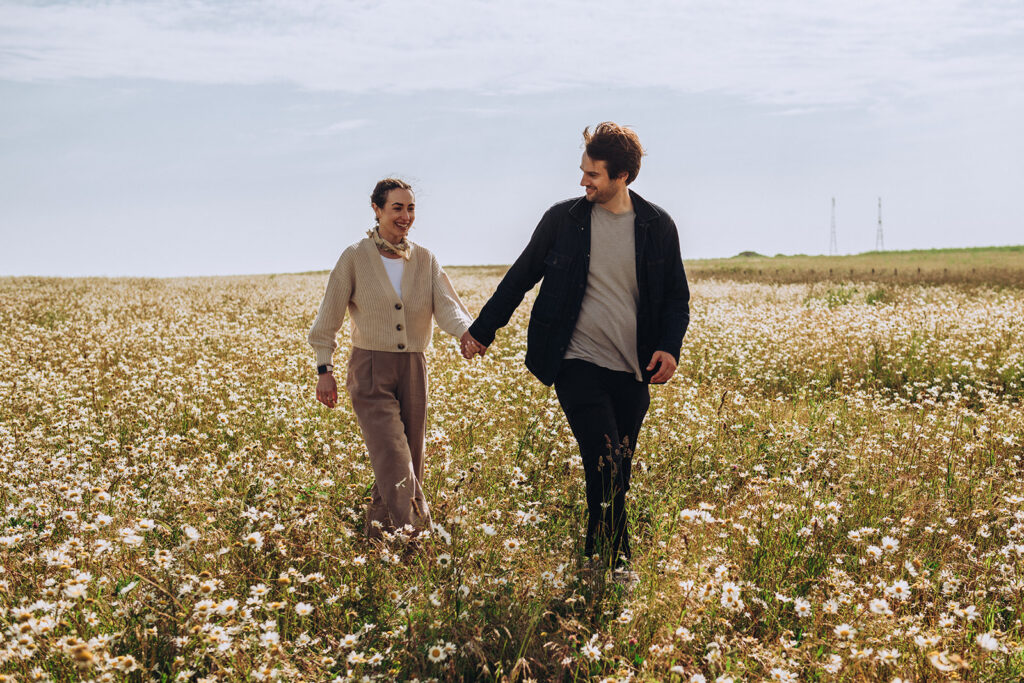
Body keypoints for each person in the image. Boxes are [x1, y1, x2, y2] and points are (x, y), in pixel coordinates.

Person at [463, 123, 690, 573]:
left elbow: (675, 298)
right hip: (575, 360)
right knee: (604, 458)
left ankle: (597, 556)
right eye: (583, 171)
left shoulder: (657, 226)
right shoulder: (562, 220)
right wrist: (483, 330)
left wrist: (670, 347)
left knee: (617, 468)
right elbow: (521, 276)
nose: (583, 181)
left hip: (633, 367)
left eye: (594, 174)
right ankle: (614, 562)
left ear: (622, 175)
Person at [309, 178, 481, 542]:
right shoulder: (354, 257)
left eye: (411, 208)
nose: (405, 216)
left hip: (414, 367)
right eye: (397, 208)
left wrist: (466, 333)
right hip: (370, 368)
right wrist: (325, 369)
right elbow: (327, 320)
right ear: (377, 209)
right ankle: (420, 541)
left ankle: (378, 540)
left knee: (410, 458)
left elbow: (447, 306)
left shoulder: (425, 258)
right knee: (394, 456)